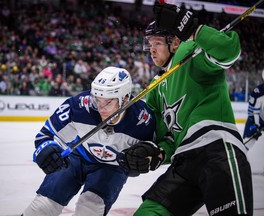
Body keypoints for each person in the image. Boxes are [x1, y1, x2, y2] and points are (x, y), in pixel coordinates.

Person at [117, 3, 253, 216]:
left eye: (158, 43)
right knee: (149, 212)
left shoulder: (189, 54)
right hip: (183, 163)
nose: (151, 49)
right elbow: (167, 137)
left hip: (215, 150)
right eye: (149, 44)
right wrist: (155, 152)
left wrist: (194, 30)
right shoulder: (156, 86)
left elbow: (228, 51)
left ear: (175, 42)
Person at [22, 66, 156, 216]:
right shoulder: (80, 105)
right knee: (42, 208)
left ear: (125, 99)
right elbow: (45, 135)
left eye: (107, 102)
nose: (100, 108)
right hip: (76, 157)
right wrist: (46, 148)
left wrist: (140, 160)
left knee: (89, 210)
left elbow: (153, 150)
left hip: (112, 168)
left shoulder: (143, 121)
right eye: (97, 100)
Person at [243, 70, 264, 149]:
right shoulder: (258, 92)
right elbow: (253, 113)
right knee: (246, 147)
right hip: (256, 123)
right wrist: (257, 125)